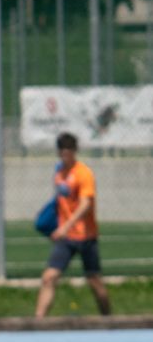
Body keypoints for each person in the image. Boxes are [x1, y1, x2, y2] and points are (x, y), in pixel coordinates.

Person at [37, 131, 109, 319]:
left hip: (86, 236)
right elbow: (61, 202)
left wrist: (66, 226)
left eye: (69, 148)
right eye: (62, 148)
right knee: (49, 277)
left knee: (95, 282)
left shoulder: (83, 173)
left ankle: (109, 320)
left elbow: (85, 204)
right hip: (66, 238)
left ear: (75, 150)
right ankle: (38, 322)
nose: (65, 152)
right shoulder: (59, 173)